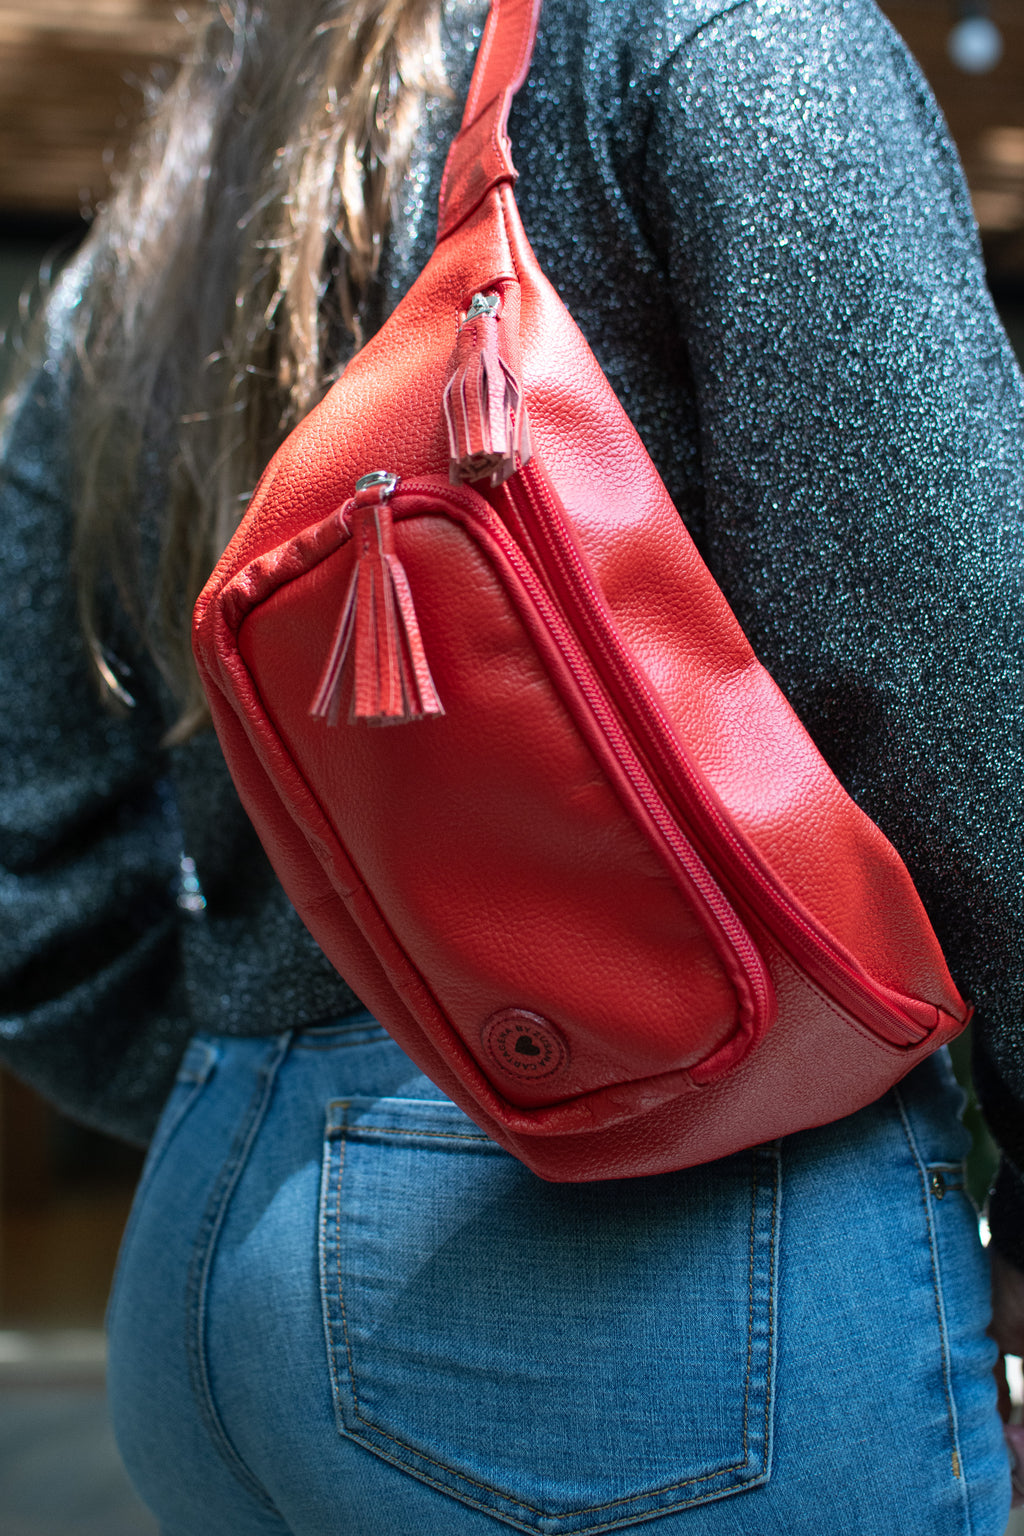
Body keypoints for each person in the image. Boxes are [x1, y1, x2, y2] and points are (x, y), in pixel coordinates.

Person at [1, 0, 1022, 1530]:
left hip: (208, 1259)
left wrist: (280, 1075)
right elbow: (956, 642)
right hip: (661, 1259)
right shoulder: (717, 34)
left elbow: (27, 839)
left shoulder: (172, 187)